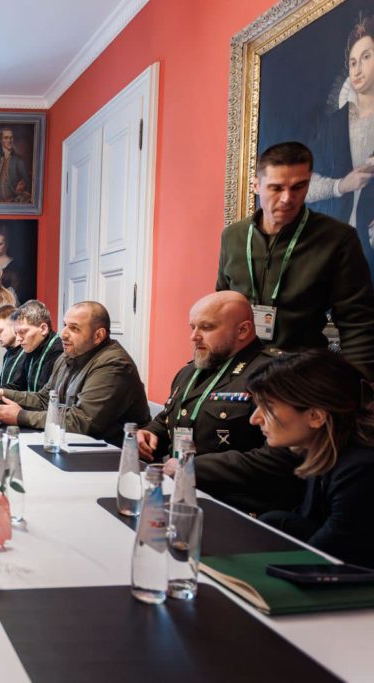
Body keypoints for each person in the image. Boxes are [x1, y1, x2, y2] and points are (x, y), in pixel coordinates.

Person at [216, 141, 374, 379]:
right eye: (276, 188)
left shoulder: (337, 238)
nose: (287, 198)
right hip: (237, 371)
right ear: (256, 185)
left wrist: (361, 383)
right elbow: (222, 306)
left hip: (301, 373)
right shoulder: (233, 236)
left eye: (298, 187)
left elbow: (357, 320)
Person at [139, 291, 304, 514]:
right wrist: (150, 434)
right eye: (192, 327)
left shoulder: (275, 373)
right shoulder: (189, 371)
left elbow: (281, 456)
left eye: (206, 327)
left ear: (243, 330)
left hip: (239, 506)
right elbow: (169, 417)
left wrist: (194, 468)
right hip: (182, 494)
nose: (194, 336)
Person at [247, 351, 374, 568]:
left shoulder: (360, 470)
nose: (254, 419)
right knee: (274, 521)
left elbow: (319, 559)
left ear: (315, 416)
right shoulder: (326, 451)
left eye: (268, 407)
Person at [0, 301, 150, 446]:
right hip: (75, 445)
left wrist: (21, 416)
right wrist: (0, 392)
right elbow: (44, 399)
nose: (63, 334)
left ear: (98, 336)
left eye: (74, 328)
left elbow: (83, 420)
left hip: (113, 454)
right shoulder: (68, 356)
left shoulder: (113, 364)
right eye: (65, 325)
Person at [306, 14, 374, 284]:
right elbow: (305, 185)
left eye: (366, 57)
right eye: (353, 62)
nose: (357, 69)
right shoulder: (333, 124)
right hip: (337, 248)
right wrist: (342, 185)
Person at [10, 300, 63, 394]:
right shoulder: (32, 347)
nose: (18, 339)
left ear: (43, 329)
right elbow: (18, 386)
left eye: (23, 332)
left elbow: (46, 398)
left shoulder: (59, 351)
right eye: (16, 333)